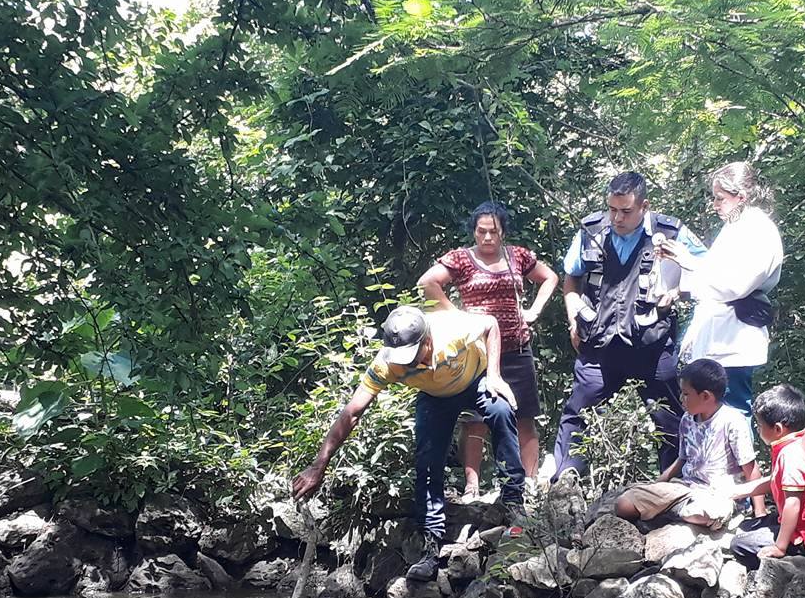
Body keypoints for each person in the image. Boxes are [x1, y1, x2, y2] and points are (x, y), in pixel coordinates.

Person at [291, 305, 523, 566]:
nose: (407, 363)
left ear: (427, 340)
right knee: (426, 459)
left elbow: (491, 323)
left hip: (474, 379)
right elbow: (352, 413)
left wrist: (494, 375)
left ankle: (513, 501)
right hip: (435, 397)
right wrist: (318, 465)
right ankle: (431, 544)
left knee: (501, 410)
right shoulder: (387, 364)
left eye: (412, 354)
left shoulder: (453, 331)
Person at [551, 171, 707, 480]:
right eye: (612, 209)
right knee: (577, 414)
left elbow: (709, 270)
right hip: (597, 344)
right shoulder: (591, 228)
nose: (617, 218)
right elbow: (571, 278)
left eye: (625, 211)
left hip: (652, 344)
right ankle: (565, 484)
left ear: (644, 206)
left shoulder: (672, 232)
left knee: (669, 418)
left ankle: (674, 488)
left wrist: (679, 291)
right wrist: (573, 317)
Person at [418, 201, 558, 497]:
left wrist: (534, 310)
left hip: (517, 346)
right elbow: (428, 282)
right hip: (477, 352)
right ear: (474, 232)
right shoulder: (461, 259)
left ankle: (528, 483)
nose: (487, 238)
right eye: (481, 231)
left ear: (503, 232)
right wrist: (457, 317)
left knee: (524, 416)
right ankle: (472, 487)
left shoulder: (518, 256)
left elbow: (550, 277)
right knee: (476, 419)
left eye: (493, 231)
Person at [671, 161, 783, 415]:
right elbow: (713, 276)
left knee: (732, 413)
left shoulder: (759, 229)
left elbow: (734, 285)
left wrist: (689, 262)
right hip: (715, 335)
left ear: (740, 197)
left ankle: (740, 457)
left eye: (720, 198)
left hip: (735, 337)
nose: (715, 205)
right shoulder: (734, 227)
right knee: (709, 414)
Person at [613, 358, 758, 530]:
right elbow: (682, 459)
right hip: (685, 489)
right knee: (623, 505)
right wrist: (656, 485)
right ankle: (674, 510)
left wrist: (760, 511)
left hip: (718, 494)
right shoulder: (687, 420)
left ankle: (671, 512)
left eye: (686, 394)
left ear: (706, 396)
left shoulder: (732, 421)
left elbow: (750, 468)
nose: (681, 399)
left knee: (702, 513)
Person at [729, 383, 805, 561]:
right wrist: (736, 492)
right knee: (746, 527)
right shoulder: (797, 440)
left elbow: (792, 504)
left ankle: (789, 562)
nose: (757, 429)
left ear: (778, 429)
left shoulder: (792, 455)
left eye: (759, 424)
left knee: (738, 544)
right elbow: (776, 480)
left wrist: (779, 547)